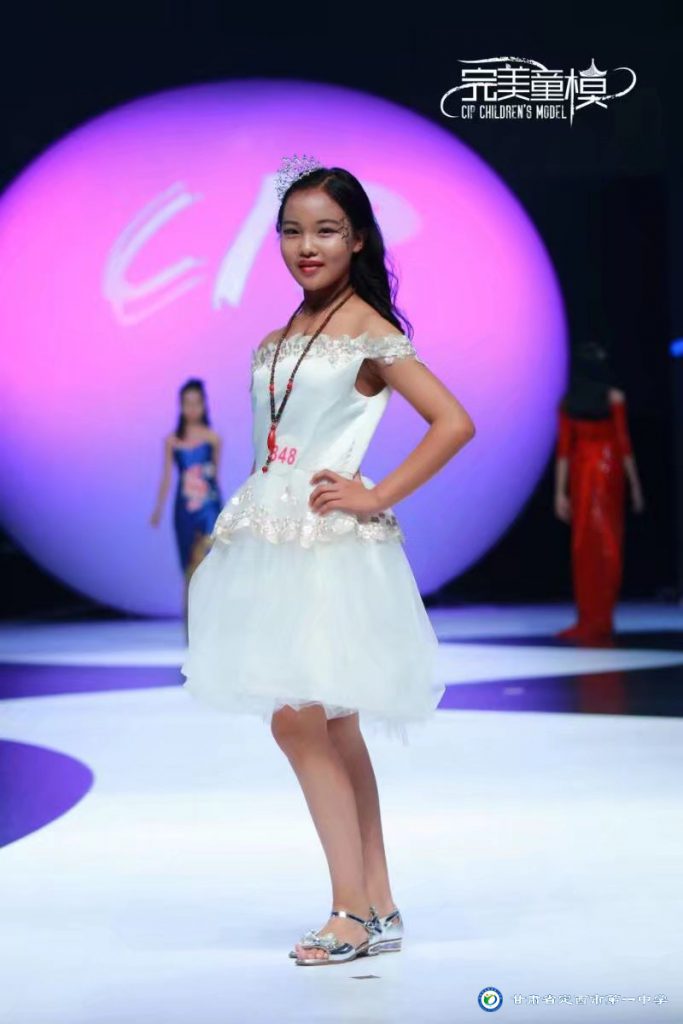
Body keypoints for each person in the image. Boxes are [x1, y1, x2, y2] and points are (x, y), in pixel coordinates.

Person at [180, 155, 476, 966]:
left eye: (326, 231)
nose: (306, 246)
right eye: (291, 231)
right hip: (272, 540)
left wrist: (374, 495)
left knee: (296, 719)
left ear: (357, 240)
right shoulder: (275, 339)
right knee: (334, 729)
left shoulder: (367, 330)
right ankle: (377, 905)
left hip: (326, 547)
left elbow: (452, 421)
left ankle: (347, 912)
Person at [554, 340, 644, 642]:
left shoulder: (569, 402)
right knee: (608, 543)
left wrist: (559, 493)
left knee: (584, 543)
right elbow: (624, 443)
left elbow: (564, 452)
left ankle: (591, 617)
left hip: (582, 473)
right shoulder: (613, 397)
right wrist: (635, 485)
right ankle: (600, 617)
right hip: (608, 472)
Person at [150, 378, 223, 634]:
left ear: (204, 405)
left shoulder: (213, 439)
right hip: (183, 511)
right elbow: (167, 478)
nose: (192, 408)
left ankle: (210, 625)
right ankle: (192, 628)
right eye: (187, 403)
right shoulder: (172, 441)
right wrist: (158, 510)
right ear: (180, 406)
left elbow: (214, 478)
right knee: (188, 569)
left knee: (207, 564)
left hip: (209, 508)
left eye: (196, 403)